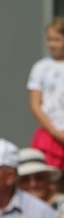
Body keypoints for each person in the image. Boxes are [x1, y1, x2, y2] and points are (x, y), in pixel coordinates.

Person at [29, 16, 64, 170]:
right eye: (49, 40)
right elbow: (35, 104)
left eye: (57, 40)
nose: (52, 44)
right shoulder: (41, 67)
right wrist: (55, 132)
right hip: (49, 134)